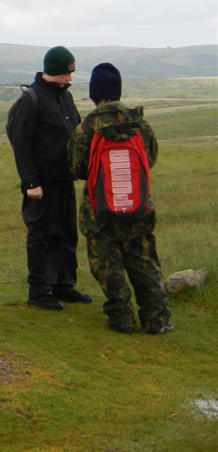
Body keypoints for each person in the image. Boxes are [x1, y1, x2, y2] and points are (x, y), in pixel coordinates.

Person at [67, 63, 173, 334]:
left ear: (94, 94)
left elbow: (76, 169)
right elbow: (149, 161)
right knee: (144, 263)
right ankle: (157, 319)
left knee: (107, 266)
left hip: (99, 210)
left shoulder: (86, 128)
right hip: (138, 206)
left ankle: (121, 319)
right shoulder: (140, 124)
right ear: (118, 91)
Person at [10, 46, 91, 310]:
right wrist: (31, 182)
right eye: (66, 73)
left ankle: (63, 285)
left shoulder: (65, 97)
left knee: (66, 233)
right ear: (53, 71)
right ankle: (39, 291)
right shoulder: (31, 99)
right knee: (42, 234)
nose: (70, 78)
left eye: (71, 73)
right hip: (42, 183)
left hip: (65, 178)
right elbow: (21, 142)